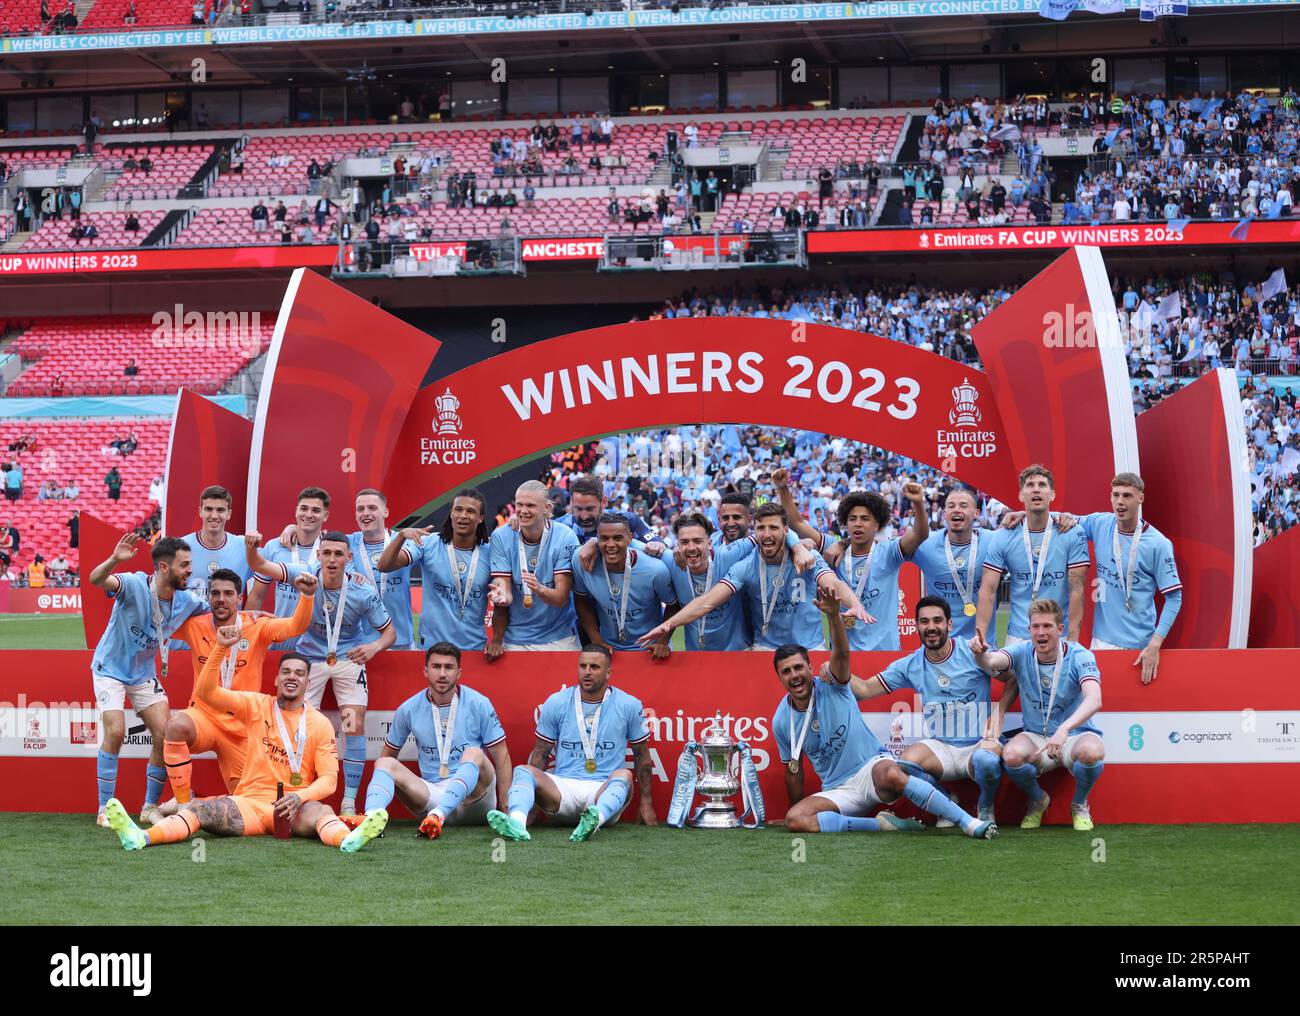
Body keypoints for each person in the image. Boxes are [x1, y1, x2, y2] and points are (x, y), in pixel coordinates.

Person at [104, 624, 386, 854]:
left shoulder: (319, 723)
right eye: (286, 672)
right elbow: (206, 693)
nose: (292, 677)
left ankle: (347, 841)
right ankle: (142, 837)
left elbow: (329, 780)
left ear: (307, 683)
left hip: (295, 805)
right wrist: (220, 648)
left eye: (300, 674)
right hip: (249, 803)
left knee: (322, 811)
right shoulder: (257, 705)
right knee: (201, 809)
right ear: (276, 680)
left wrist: (298, 797)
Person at [778, 587, 996, 838]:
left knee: (978, 762)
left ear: (810, 667)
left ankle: (971, 820)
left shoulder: (832, 684)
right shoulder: (781, 719)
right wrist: (792, 808)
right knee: (795, 819)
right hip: (837, 789)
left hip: (872, 771)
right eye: (786, 672)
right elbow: (864, 689)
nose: (794, 676)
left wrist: (833, 616)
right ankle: (883, 823)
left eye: (798, 668)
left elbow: (842, 652)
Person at [245, 530, 394, 816]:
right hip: (310, 659)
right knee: (298, 727)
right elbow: (261, 565)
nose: (332, 560)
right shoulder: (305, 575)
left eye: (338, 554)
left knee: (353, 725)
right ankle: (300, 795)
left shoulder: (362, 591)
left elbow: (389, 633)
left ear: (349, 558)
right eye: (326, 553)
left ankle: (348, 802)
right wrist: (252, 549)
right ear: (318, 555)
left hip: (349, 659)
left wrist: (373, 647)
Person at [150, 568, 316, 811]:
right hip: (204, 715)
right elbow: (156, 620)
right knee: (176, 727)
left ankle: (199, 803)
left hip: (242, 724)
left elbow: (295, 626)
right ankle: (184, 806)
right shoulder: (194, 625)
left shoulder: (258, 626)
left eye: (228, 594)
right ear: (208, 597)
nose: (221, 599)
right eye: (215, 593)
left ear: (239, 598)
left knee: (247, 802)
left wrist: (307, 596)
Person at [88, 534, 208, 827]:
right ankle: (105, 809)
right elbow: (96, 579)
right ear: (164, 567)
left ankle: (148, 807)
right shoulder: (134, 584)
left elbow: (220, 612)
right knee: (116, 731)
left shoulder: (187, 600)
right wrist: (114, 559)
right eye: (184, 565)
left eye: (190, 564)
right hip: (109, 669)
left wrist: (256, 618)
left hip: (143, 675)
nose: (190, 570)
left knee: (166, 734)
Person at [853, 596, 1004, 826]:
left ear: (949, 624)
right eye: (924, 621)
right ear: (916, 626)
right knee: (904, 765)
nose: (931, 627)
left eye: (937, 620)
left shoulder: (972, 651)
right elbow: (864, 690)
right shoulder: (911, 664)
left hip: (979, 743)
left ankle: (985, 806)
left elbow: (1012, 678)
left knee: (987, 761)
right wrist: (834, 673)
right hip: (942, 747)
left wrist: (999, 712)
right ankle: (947, 803)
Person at [642, 503, 869, 652]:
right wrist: (669, 624)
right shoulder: (746, 566)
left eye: (773, 528)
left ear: (785, 531)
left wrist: (855, 605)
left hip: (810, 647)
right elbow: (707, 602)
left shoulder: (806, 556)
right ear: (755, 530)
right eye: (761, 528)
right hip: (765, 649)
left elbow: (833, 583)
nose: (767, 534)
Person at [487, 644, 656, 842]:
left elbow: (642, 756)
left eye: (594, 667)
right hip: (562, 792)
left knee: (624, 775)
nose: (587, 672)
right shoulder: (557, 702)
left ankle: (595, 820)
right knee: (523, 771)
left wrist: (646, 803)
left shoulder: (628, 704)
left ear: (608, 672)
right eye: (583, 666)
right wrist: (533, 806)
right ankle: (517, 822)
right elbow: (540, 753)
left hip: (603, 791)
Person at [972, 598, 1105, 830]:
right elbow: (991, 660)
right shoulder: (1022, 651)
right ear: (1029, 629)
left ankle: (1079, 804)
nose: (1041, 632)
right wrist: (980, 654)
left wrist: (1064, 729)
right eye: (1036, 626)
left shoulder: (1080, 655)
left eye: (1047, 626)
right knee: (1011, 755)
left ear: (1060, 629)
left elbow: (1095, 699)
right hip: (1036, 735)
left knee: (1092, 752)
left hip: (1073, 734)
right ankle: (1037, 799)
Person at [362, 642, 512, 840]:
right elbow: (388, 757)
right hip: (432, 796)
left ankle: (439, 814)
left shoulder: (479, 703)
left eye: (449, 667)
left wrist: (506, 807)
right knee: (384, 763)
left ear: (459, 673)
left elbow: (501, 755)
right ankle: (371, 819)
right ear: (426, 671)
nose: (442, 674)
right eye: (436, 667)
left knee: (474, 753)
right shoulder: (408, 709)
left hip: (476, 799)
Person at [776, 470, 930, 651]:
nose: (858, 523)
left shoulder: (888, 552)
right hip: (844, 654)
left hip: (885, 651)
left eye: (865, 519)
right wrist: (783, 488)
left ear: (876, 525)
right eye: (852, 519)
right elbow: (797, 524)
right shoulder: (832, 548)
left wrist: (918, 503)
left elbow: (920, 534)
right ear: (845, 524)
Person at [1076, 472, 1182, 683]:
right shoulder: (1100, 524)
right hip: (1100, 642)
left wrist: (1155, 644)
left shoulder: (1158, 544)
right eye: (1115, 495)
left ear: (1141, 498)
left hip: (1139, 648)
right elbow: (1062, 519)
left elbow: (1174, 598)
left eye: (1127, 495)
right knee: (1098, 702)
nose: (1120, 502)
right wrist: (1023, 516)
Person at [976, 464, 1090, 646]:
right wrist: (980, 636)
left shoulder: (1072, 533)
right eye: (1030, 485)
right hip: (1018, 636)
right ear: (1021, 495)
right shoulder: (1004, 536)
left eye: (1042, 485)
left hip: (1058, 634)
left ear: (1052, 494)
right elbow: (988, 590)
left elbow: (1077, 590)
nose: (1036, 489)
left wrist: (1073, 640)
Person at [377, 487, 493, 655]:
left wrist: (497, 639)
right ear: (451, 514)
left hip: (473, 649)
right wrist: (401, 536)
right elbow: (384, 566)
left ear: (480, 518)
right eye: (458, 509)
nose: (463, 515)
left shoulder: (490, 552)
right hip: (432, 649)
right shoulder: (429, 543)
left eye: (470, 511)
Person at [487, 479, 582, 651]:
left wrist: (539, 588)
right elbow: (504, 591)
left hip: (559, 637)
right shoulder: (501, 536)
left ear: (547, 508)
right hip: (516, 639)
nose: (523, 511)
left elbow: (561, 598)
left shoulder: (565, 536)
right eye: (519, 505)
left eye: (530, 505)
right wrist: (501, 596)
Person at [571, 514, 678, 656]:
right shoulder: (582, 560)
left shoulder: (655, 570)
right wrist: (596, 640)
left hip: (650, 649)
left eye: (617, 538)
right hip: (609, 649)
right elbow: (581, 600)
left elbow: (673, 605)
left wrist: (662, 641)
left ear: (630, 538)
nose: (610, 544)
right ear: (597, 539)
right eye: (604, 538)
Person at [244, 485, 330, 646]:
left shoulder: (330, 550)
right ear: (296, 511)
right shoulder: (275, 547)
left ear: (325, 515)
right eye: (304, 508)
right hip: (281, 640)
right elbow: (257, 595)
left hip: (317, 646)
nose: (308, 514)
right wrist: (246, 635)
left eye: (316, 510)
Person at [659, 512, 754, 650]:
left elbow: (767, 534)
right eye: (684, 542)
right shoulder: (669, 561)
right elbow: (632, 541)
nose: (691, 548)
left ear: (709, 543)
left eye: (697, 541)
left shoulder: (729, 555)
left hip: (736, 654)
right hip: (696, 656)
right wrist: (655, 541)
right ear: (678, 545)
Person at [909, 486, 990, 639]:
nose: (956, 510)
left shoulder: (994, 541)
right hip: (941, 644)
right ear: (944, 513)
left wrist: (1020, 515)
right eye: (951, 506)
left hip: (983, 645)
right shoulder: (925, 543)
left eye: (963, 506)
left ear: (976, 513)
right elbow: (885, 551)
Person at [345, 488, 413, 651]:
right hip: (360, 643)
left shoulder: (403, 541)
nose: (365, 513)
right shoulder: (346, 543)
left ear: (385, 512)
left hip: (401, 641)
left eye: (372, 508)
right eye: (360, 509)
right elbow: (315, 540)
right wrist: (292, 528)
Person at [178, 484, 251, 607]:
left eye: (220, 510)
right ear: (200, 511)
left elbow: (266, 572)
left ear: (229, 513)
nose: (214, 515)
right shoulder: (180, 547)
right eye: (208, 509)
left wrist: (248, 614)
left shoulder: (244, 547)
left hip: (230, 620)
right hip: (191, 619)